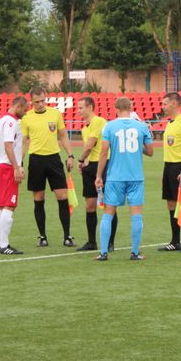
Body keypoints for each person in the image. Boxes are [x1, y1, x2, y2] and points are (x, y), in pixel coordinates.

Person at [94, 97, 154, 261]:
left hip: (115, 177)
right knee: (136, 215)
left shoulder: (109, 126)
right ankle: (134, 253)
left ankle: (104, 253)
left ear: (116, 109)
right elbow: (150, 151)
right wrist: (136, 145)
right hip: (136, 176)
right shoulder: (141, 127)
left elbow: (104, 152)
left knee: (108, 213)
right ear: (131, 108)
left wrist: (99, 176)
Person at [21, 86, 76, 248]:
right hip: (36, 160)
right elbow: (24, 142)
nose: (40, 104)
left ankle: (67, 236)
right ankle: (42, 236)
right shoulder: (27, 118)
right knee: (38, 199)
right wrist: (20, 163)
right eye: (37, 101)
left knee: (62, 197)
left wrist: (70, 155)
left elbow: (63, 135)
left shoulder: (55, 114)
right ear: (31, 101)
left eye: (43, 100)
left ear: (46, 98)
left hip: (54, 159)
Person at [157, 92, 181, 252]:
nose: (163, 106)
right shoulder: (171, 123)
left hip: (180, 167)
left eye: (165, 103)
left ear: (174, 103)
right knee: (171, 203)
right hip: (169, 167)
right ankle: (175, 241)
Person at [76, 96, 116, 252]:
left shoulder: (98, 121)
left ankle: (110, 242)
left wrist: (80, 160)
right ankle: (91, 241)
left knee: (109, 205)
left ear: (90, 107)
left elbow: (90, 145)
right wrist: (85, 164)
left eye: (81, 107)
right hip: (91, 166)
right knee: (90, 205)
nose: (78, 110)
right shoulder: (85, 127)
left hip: (104, 165)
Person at [0, 96, 30, 254]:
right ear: (18, 106)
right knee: (9, 205)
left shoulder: (3, 120)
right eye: (25, 109)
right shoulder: (11, 122)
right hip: (7, 166)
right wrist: (17, 167)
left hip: (1, 165)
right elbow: (8, 145)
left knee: (2, 205)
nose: (25, 112)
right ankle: (4, 245)